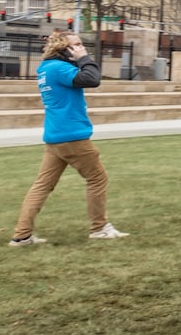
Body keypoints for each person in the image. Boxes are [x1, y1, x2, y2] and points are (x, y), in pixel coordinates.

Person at [10, 30, 128, 246]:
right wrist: (84, 58)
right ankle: (99, 228)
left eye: (82, 45)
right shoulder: (59, 68)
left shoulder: (46, 68)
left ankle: (22, 235)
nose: (82, 48)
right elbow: (92, 80)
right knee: (97, 178)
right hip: (73, 137)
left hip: (56, 137)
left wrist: (74, 56)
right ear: (64, 48)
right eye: (77, 44)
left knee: (42, 185)